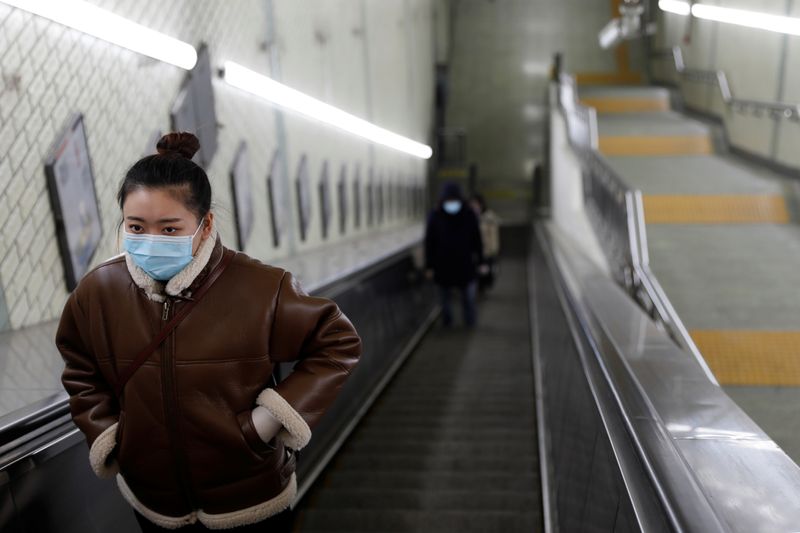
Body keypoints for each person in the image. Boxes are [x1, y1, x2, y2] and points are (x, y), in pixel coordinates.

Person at [55, 132, 361, 532]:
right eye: (136, 227)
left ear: (205, 224)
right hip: (154, 501)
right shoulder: (99, 291)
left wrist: (266, 422)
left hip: (249, 498)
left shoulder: (261, 288)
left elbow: (337, 341)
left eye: (169, 229)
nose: (150, 242)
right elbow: (80, 365)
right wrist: (110, 434)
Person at [425, 182, 485, 328]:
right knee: (444, 299)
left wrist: (482, 261)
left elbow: (477, 240)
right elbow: (429, 243)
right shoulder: (435, 216)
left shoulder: (469, 215)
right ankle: (447, 323)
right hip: (442, 265)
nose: (452, 204)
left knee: (469, 298)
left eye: (454, 200)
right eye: (449, 200)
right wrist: (429, 266)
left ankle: (470, 322)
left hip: (465, 264)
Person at [469, 194, 500, 292]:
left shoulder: (488, 217)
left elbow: (493, 236)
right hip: (473, 251)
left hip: (486, 250)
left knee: (484, 272)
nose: (474, 206)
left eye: (475, 204)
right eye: (472, 204)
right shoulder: (468, 217)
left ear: (481, 204)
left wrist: (493, 250)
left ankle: (481, 288)